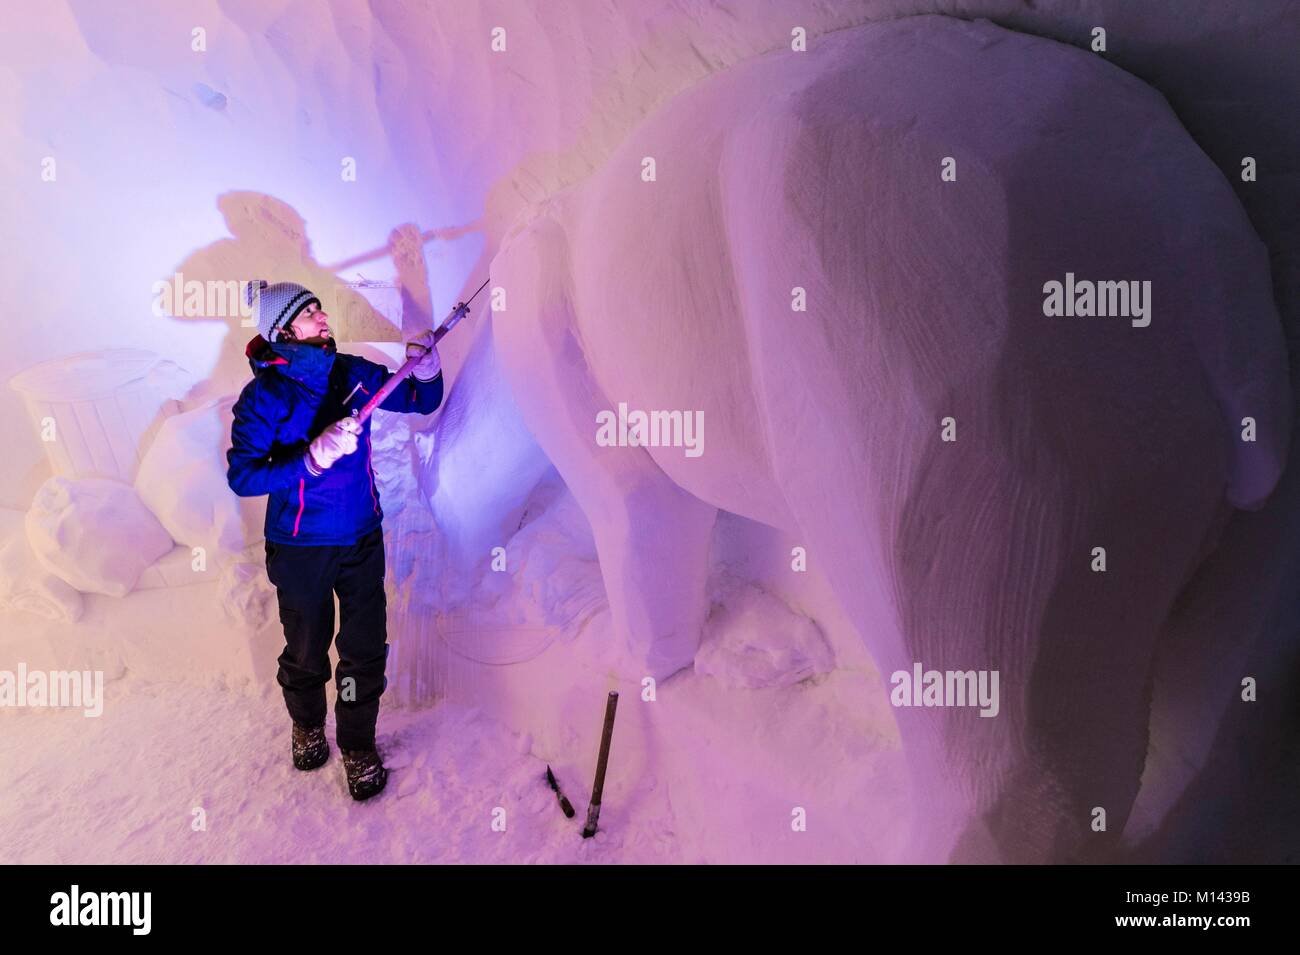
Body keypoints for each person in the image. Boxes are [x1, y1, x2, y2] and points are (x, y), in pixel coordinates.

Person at [226, 280, 446, 800]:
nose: (322, 317)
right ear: (282, 331)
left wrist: (427, 363)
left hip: (361, 539)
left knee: (363, 650)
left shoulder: (351, 374)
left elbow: (420, 397)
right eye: (309, 314)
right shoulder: (264, 398)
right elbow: (244, 476)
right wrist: (308, 459)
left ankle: (356, 744)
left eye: (320, 308)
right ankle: (306, 726)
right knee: (306, 651)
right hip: (300, 548)